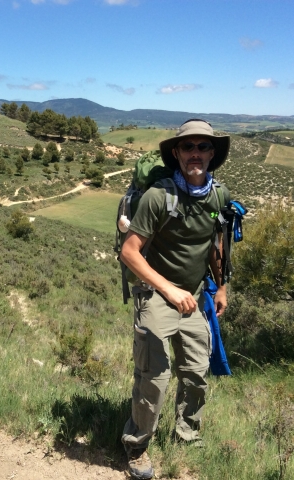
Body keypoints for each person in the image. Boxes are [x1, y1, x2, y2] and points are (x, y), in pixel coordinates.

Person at [120, 119, 230, 480]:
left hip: (194, 298)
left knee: (197, 373)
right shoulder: (158, 197)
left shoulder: (218, 196)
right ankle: (136, 446)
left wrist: (222, 286)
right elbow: (130, 253)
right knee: (154, 377)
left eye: (202, 147)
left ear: (212, 154)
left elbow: (215, 246)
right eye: (188, 147)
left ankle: (187, 435)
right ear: (177, 154)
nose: (195, 154)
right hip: (156, 295)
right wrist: (168, 289)